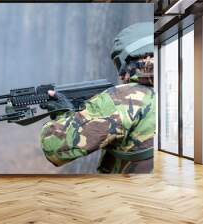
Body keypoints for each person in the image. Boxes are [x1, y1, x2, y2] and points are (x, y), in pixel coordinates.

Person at [40, 22, 155, 173]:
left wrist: (64, 114)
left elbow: (54, 146)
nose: (120, 76)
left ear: (127, 59)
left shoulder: (121, 98)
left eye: (119, 64)